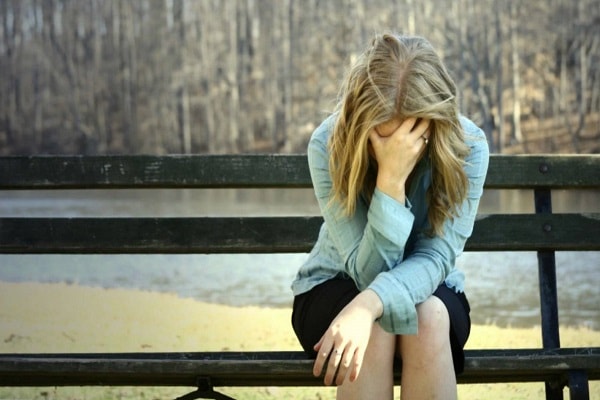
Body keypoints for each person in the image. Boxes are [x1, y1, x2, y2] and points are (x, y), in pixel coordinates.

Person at [290, 32, 490, 400]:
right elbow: (365, 272)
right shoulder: (328, 142)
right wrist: (391, 181)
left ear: (434, 123)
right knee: (377, 328)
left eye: (410, 139)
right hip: (335, 283)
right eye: (382, 139)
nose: (398, 147)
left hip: (430, 289)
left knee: (427, 317)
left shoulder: (469, 147)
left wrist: (367, 304)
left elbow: (436, 257)